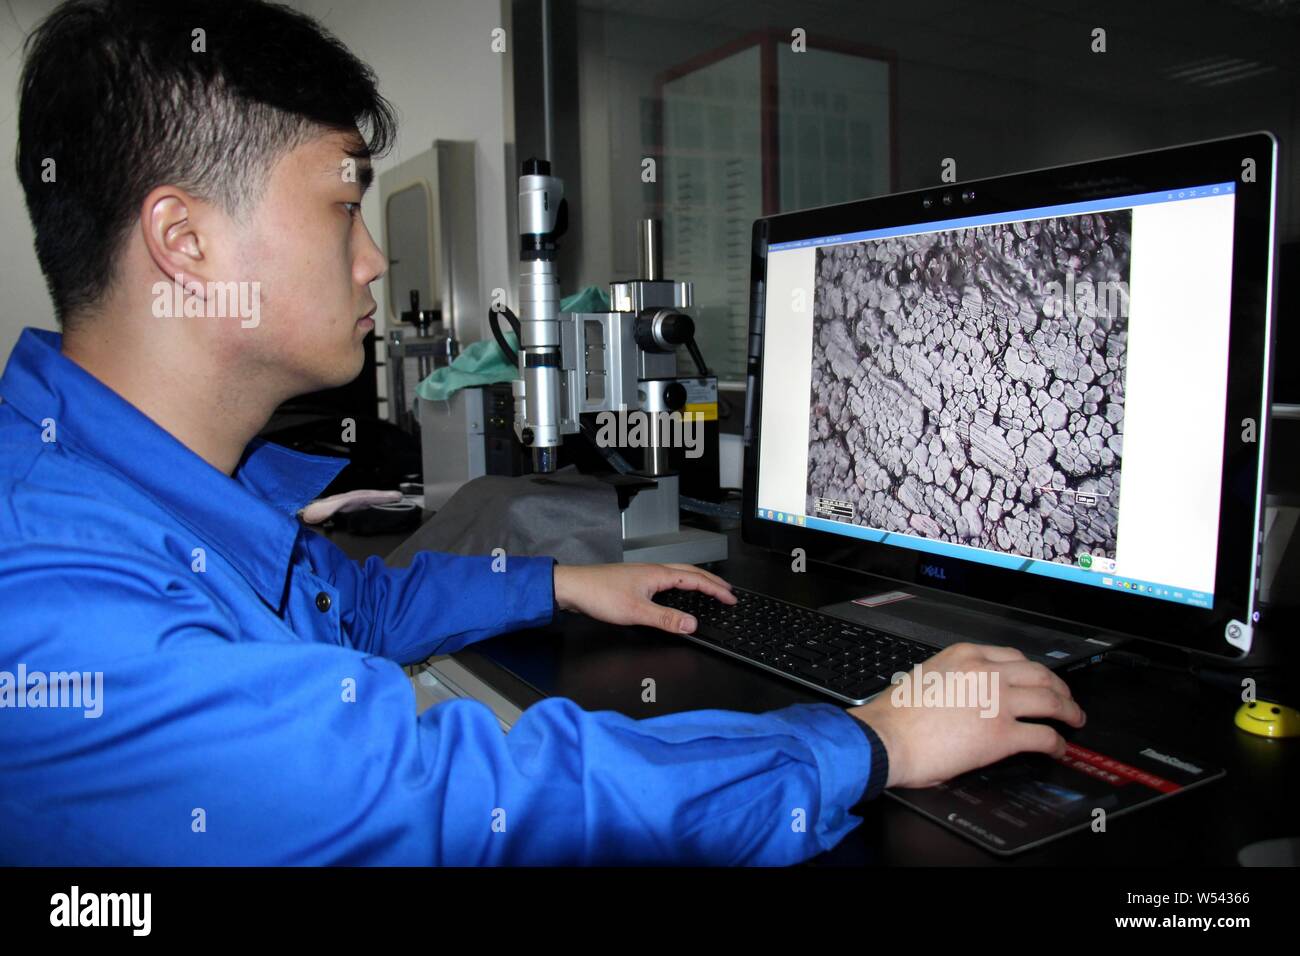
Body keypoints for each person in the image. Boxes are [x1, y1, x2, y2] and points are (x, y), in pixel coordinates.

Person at [0, 0, 1084, 865]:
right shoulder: (56, 601)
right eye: (342, 204)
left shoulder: (139, 489)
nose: (375, 258)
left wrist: (557, 586)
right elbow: (466, 802)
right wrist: (866, 742)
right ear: (184, 240)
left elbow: (355, 604)